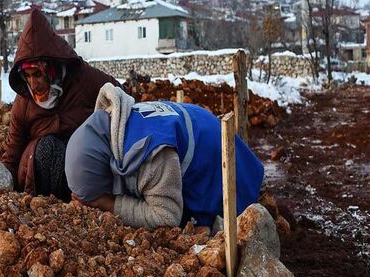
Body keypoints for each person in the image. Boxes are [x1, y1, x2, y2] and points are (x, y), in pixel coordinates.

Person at [65, 84, 264, 229]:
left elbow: (166, 217)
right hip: (203, 131)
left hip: (221, 165)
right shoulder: (117, 123)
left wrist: (107, 203)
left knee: (230, 228)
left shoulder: (149, 154)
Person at [1, 8, 120, 200]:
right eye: (28, 76)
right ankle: (56, 207)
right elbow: (12, 153)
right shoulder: (24, 102)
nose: (33, 84)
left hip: (84, 168)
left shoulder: (83, 80)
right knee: (48, 147)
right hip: (40, 174)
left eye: (38, 75)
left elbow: (119, 97)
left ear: (52, 70)